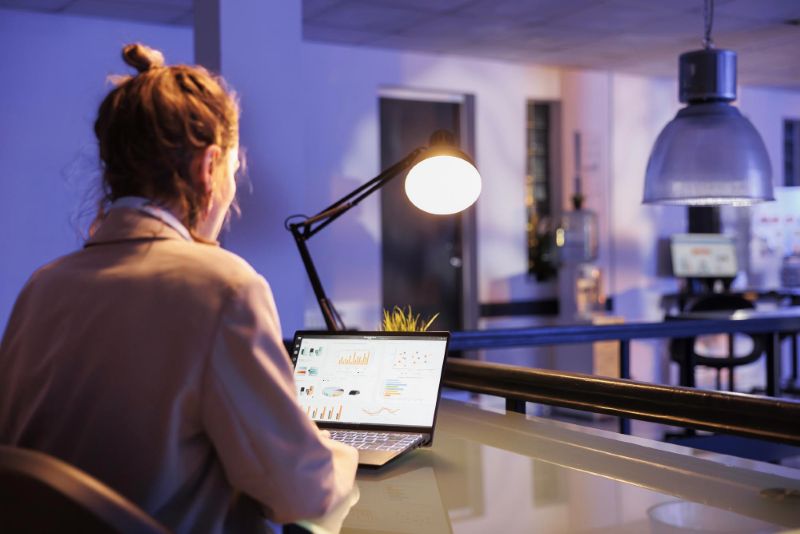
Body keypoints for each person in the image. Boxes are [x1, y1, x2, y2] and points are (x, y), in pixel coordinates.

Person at [0, 43, 358, 533]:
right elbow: (303, 491)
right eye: (233, 172)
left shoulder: (41, 287)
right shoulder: (223, 287)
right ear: (208, 168)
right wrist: (341, 451)